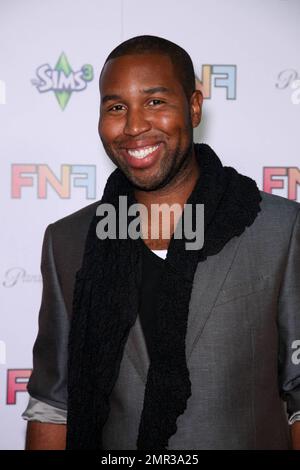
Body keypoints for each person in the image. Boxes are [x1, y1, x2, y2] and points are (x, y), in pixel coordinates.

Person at [22, 35, 300, 450]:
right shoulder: (68, 241)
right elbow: (53, 405)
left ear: (193, 106)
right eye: (116, 107)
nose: (134, 126)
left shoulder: (280, 228)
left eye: (155, 101)